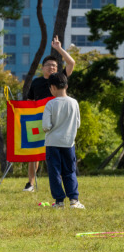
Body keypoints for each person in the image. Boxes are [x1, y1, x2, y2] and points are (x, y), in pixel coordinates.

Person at [24, 35, 75, 192]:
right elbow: (29, 102)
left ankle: (60, 184)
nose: (52, 67)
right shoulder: (36, 82)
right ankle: (30, 183)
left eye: (54, 65)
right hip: (39, 121)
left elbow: (71, 63)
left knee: (59, 153)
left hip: (60, 122)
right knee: (35, 153)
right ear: (42, 67)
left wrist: (59, 49)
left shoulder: (60, 79)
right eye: (48, 65)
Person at [42, 73, 84, 209]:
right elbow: (77, 123)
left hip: (52, 143)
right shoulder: (74, 102)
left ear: (52, 87)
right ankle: (74, 200)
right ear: (66, 85)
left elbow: (46, 126)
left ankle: (59, 201)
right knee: (70, 171)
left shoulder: (50, 104)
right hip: (68, 143)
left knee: (54, 172)